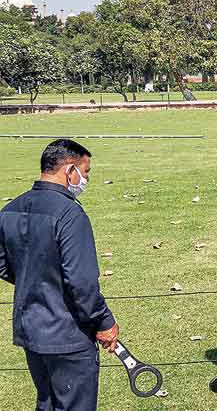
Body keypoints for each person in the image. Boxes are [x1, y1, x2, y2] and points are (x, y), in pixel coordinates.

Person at [0, 139, 119, 411]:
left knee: (47, 403)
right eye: (85, 172)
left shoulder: (10, 209)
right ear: (70, 170)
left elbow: (3, 262)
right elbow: (82, 282)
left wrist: (36, 278)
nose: (86, 180)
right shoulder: (69, 214)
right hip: (67, 334)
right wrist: (104, 321)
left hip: (31, 329)